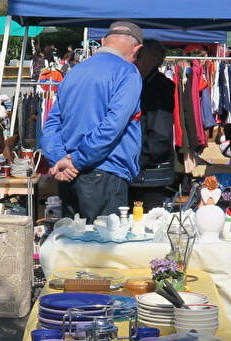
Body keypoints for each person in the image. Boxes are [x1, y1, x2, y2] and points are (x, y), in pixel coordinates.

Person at [41, 22, 144, 220]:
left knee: (74, 245)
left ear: (103, 41)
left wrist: (60, 159)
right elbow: (112, 125)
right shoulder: (128, 72)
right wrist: (75, 161)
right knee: (103, 247)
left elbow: (52, 125)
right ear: (137, 49)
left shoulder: (73, 73)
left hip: (70, 174)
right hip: (104, 173)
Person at [131, 40, 179, 209]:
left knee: (145, 224)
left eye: (137, 55)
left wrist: (137, 162)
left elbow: (160, 135)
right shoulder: (143, 83)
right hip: (143, 171)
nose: (133, 59)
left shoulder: (159, 87)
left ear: (148, 58)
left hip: (149, 174)